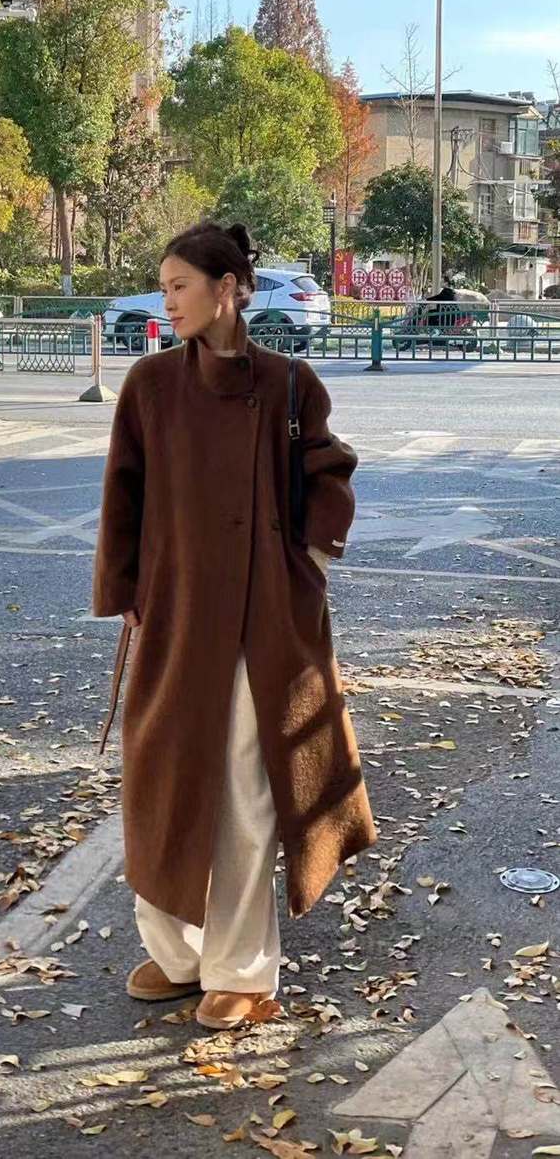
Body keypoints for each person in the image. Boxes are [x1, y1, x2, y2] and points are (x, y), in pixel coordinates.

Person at [92, 222, 377, 1031]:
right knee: (160, 777)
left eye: (180, 284)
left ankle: (242, 969)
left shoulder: (290, 382)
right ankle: (179, 954)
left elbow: (330, 470)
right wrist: (123, 592)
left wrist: (309, 564)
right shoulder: (149, 385)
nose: (168, 299)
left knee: (247, 790)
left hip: (263, 618)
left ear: (230, 289)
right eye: (163, 284)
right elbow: (124, 495)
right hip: (177, 612)